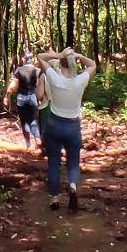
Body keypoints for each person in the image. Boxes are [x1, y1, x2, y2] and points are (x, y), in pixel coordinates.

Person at [37, 47, 95, 212]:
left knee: (54, 162)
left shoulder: (54, 78)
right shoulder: (80, 80)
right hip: (72, 126)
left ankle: (54, 198)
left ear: (60, 64)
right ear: (73, 63)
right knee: (73, 161)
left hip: (54, 124)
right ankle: (72, 186)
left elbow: (41, 57)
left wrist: (58, 55)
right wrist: (79, 56)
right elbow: (92, 65)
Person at [4, 51, 44, 149]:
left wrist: (7, 96)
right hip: (33, 97)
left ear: (23, 59)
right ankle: (37, 138)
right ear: (32, 59)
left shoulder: (19, 70)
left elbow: (13, 86)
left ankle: (28, 144)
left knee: (24, 121)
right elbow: (40, 86)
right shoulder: (38, 71)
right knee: (34, 119)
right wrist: (41, 98)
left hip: (21, 97)